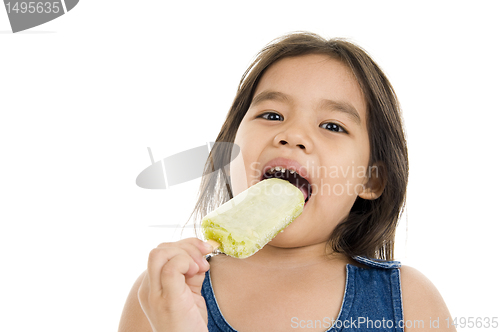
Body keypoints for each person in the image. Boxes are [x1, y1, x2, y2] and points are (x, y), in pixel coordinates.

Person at [118, 32, 455, 332]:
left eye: (333, 126)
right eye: (272, 115)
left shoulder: (409, 302)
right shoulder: (162, 294)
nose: (292, 135)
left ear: (371, 179)